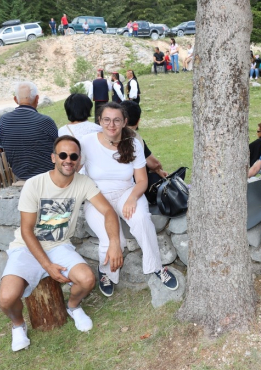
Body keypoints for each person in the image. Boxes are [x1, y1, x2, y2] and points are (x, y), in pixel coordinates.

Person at [0, 135, 122, 351]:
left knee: (86, 280)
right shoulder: (34, 184)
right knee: (6, 298)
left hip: (59, 246)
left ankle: (73, 307)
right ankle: (18, 325)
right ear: (53, 158)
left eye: (73, 156)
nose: (68, 160)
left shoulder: (83, 183)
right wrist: (47, 266)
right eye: (63, 155)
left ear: (79, 160)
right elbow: (27, 231)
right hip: (27, 247)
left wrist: (114, 242)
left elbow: (108, 211)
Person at [80, 102, 178, 297]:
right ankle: (106, 272)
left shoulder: (132, 143)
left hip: (127, 191)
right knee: (113, 240)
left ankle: (156, 267)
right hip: (97, 196)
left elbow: (141, 180)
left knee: (142, 219)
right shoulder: (86, 142)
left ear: (125, 121)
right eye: (106, 119)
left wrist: (133, 198)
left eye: (117, 120)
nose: (111, 124)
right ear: (99, 121)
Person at [0, 81, 57, 181]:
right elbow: (58, 148)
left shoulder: (3, 121)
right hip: (46, 177)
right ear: (37, 99)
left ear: (15, 99)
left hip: (18, 177)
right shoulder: (46, 121)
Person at [120, 100, 168, 189]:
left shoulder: (106, 135)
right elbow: (154, 164)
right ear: (138, 121)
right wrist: (159, 170)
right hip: (133, 184)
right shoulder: (135, 138)